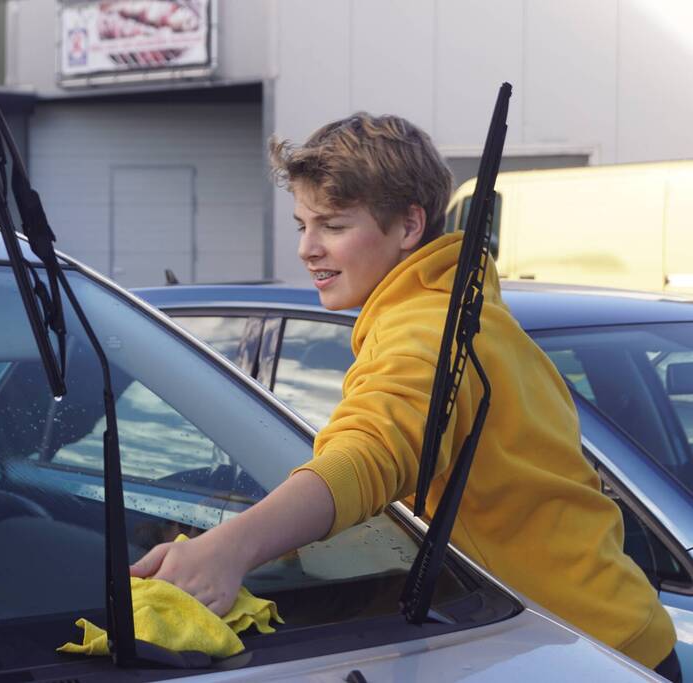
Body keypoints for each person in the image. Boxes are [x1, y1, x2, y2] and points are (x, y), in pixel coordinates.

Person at [130, 113, 680, 679]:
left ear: (409, 225)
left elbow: (369, 454)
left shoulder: (425, 332)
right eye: (302, 225)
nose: (307, 249)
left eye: (333, 226)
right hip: (613, 630)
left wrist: (230, 548)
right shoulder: (466, 311)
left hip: (575, 653)